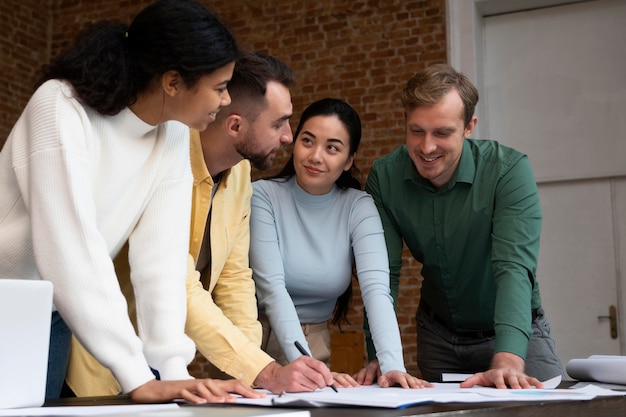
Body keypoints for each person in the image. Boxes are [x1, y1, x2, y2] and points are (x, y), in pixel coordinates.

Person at [0, 0, 261, 404]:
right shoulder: (60, 107)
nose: (226, 101)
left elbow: (162, 261)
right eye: (221, 87)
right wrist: (137, 376)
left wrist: (173, 373)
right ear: (173, 82)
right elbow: (70, 248)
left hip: (51, 314)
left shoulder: (172, 135)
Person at [66, 51, 336, 396]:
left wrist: (256, 371)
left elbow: (235, 278)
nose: (288, 136)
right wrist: (264, 370)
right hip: (98, 353)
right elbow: (180, 283)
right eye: (278, 123)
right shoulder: (161, 155)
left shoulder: (239, 174)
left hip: (164, 360)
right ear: (235, 125)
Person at [361, 63, 564, 389]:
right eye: (417, 131)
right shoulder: (385, 177)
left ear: (469, 126)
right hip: (439, 336)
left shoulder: (508, 171)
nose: (427, 147)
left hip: (514, 332)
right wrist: (379, 356)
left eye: (442, 133)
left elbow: (513, 267)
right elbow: (382, 274)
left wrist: (509, 357)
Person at [249, 98, 432, 389]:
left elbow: (376, 291)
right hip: (255, 346)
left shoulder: (358, 207)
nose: (316, 156)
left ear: (348, 160)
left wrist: (393, 365)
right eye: (307, 141)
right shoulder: (262, 196)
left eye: (332, 147)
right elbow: (272, 289)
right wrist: (305, 365)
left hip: (315, 342)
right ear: (294, 143)